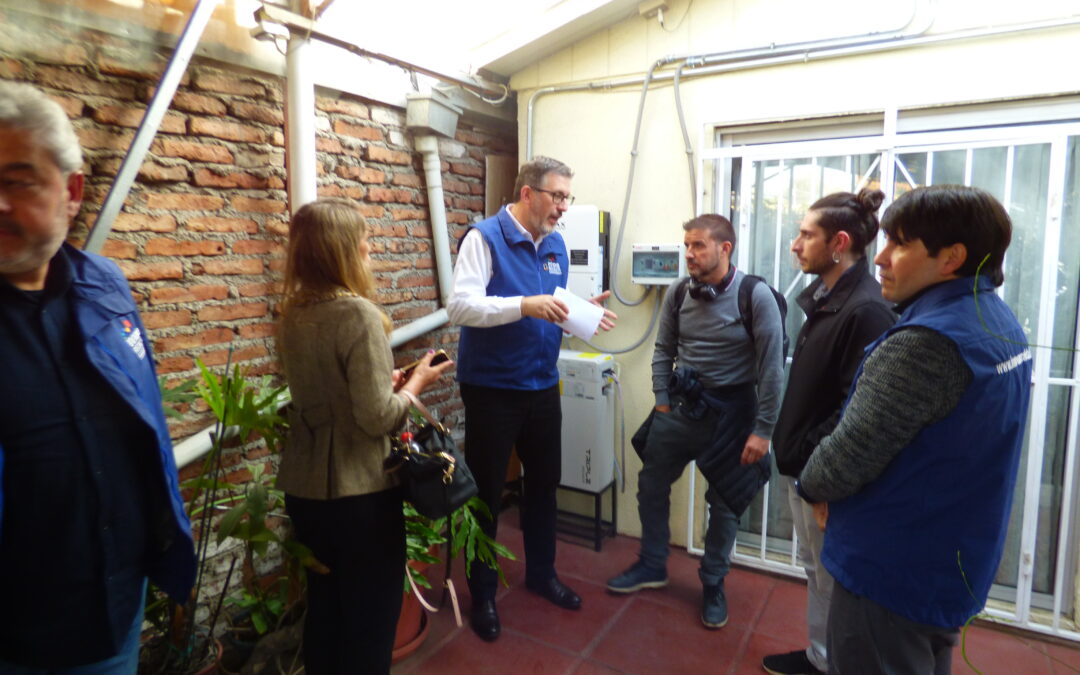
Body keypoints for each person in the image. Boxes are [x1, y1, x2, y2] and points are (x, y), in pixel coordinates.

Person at [0, 81, 196, 671]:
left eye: (18, 181)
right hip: (21, 636)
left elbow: (146, 421)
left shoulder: (105, 286)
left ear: (73, 190)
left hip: (117, 607)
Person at [797, 185, 1033, 674]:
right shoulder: (996, 319)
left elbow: (845, 456)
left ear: (952, 257)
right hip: (947, 557)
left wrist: (813, 483)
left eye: (900, 244)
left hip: (889, 572)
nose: (880, 258)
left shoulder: (926, 342)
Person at [276, 198, 452, 674]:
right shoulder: (358, 315)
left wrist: (384, 383)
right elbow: (377, 418)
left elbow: (331, 394)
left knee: (327, 613)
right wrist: (414, 384)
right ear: (342, 252)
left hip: (306, 489)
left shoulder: (292, 314)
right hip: (359, 494)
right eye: (363, 241)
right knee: (371, 624)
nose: (369, 248)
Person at [448, 155, 615, 642]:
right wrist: (523, 304)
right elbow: (460, 305)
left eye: (568, 197)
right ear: (527, 193)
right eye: (556, 196)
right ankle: (482, 594)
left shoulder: (557, 244)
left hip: (543, 383)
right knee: (486, 494)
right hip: (493, 389)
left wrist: (579, 314)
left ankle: (542, 575)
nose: (563, 207)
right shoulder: (484, 238)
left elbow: (551, 307)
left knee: (545, 484)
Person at [606, 214, 784, 630]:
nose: (689, 253)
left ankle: (713, 581)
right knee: (651, 483)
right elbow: (663, 347)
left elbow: (772, 369)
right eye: (686, 245)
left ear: (725, 249)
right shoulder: (678, 292)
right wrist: (662, 400)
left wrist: (763, 430)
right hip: (682, 408)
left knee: (724, 503)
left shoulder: (754, 295)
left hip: (734, 413)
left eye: (698, 245)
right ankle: (652, 563)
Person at [762, 189, 896, 675]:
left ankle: (838, 663)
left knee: (833, 579)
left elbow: (855, 409)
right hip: (806, 468)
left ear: (839, 243)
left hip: (824, 477)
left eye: (805, 235)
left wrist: (823, 480)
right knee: (816, 573)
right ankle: (821, 658)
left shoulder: (866, 310)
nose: (795, 245)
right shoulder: (828, 299)